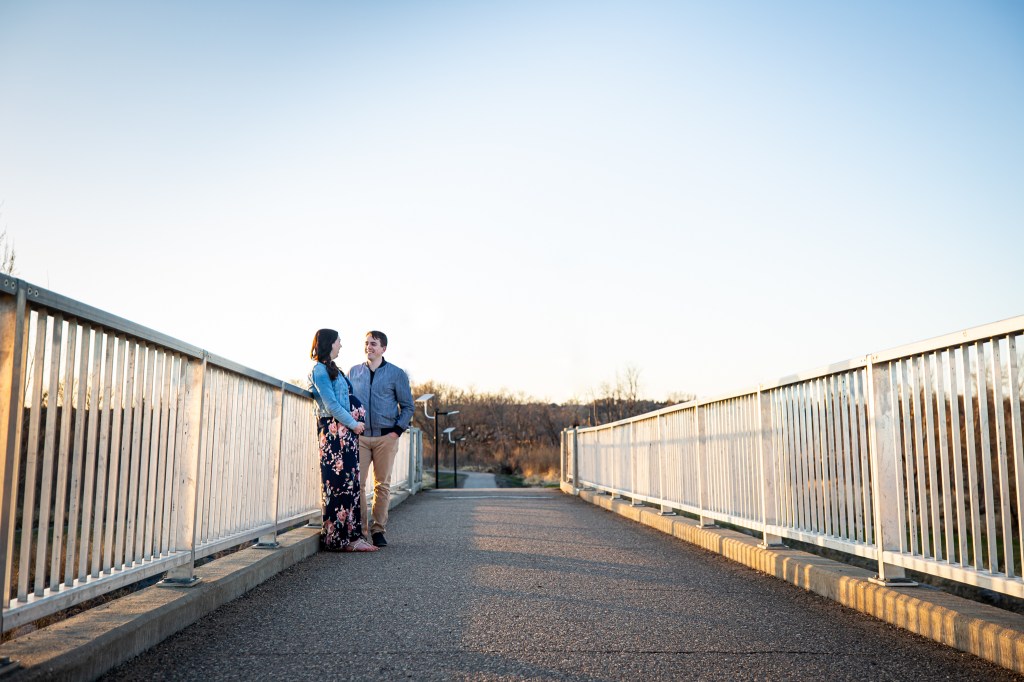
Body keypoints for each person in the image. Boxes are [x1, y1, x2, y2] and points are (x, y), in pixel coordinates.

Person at [308, 329, 377, 552]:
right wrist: (354, 423)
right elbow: (331, 405)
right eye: (339, 341)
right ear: (329, 343)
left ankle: (352, 537)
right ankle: (338, 540)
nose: (341, 345)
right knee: (337, 486)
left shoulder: (332, 368)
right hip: (334, 435)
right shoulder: (319, 370)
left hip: (345, 434)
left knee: (350, 484)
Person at [348, 330, 414, 547]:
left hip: (386, 437)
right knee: (357, 485)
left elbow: (408, 406)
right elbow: (346, 401)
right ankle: (360, 531)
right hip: (360, 437)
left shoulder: (396, 374)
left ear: (383, 348)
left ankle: (378, 530)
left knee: (382, 485)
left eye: (374, 344)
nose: (369, 347)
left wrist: (397, 430)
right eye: (367, 343)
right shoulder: (354, 372)